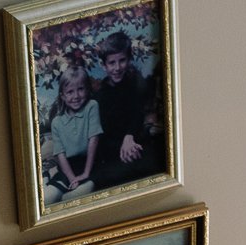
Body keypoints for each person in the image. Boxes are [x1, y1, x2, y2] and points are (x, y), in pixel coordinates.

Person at [92, 29, 166, 188]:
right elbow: (103, 134)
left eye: (122, 60)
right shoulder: (100, 96)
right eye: (112, 63)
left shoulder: (134, 84)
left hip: (134, 144)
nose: (117, 67)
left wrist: (130, 137)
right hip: (112, 152)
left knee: (156, 166)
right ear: (103, 65)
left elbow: (137, 115)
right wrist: (125, 144)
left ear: (129, 59)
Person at [43, 65, 102, 204]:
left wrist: (86, 173)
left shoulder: (92, 106)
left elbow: (93, 140)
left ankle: (66, 198)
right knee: (47, 198)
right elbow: (60, 154)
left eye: (80, 89)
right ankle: (46, 178)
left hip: (89, 165)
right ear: (62, 96)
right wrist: (72, 179)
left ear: (87, 90)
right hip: (67, 168)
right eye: (70, 92)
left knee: (83, 193)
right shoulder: (57, 122)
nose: (76, 96)